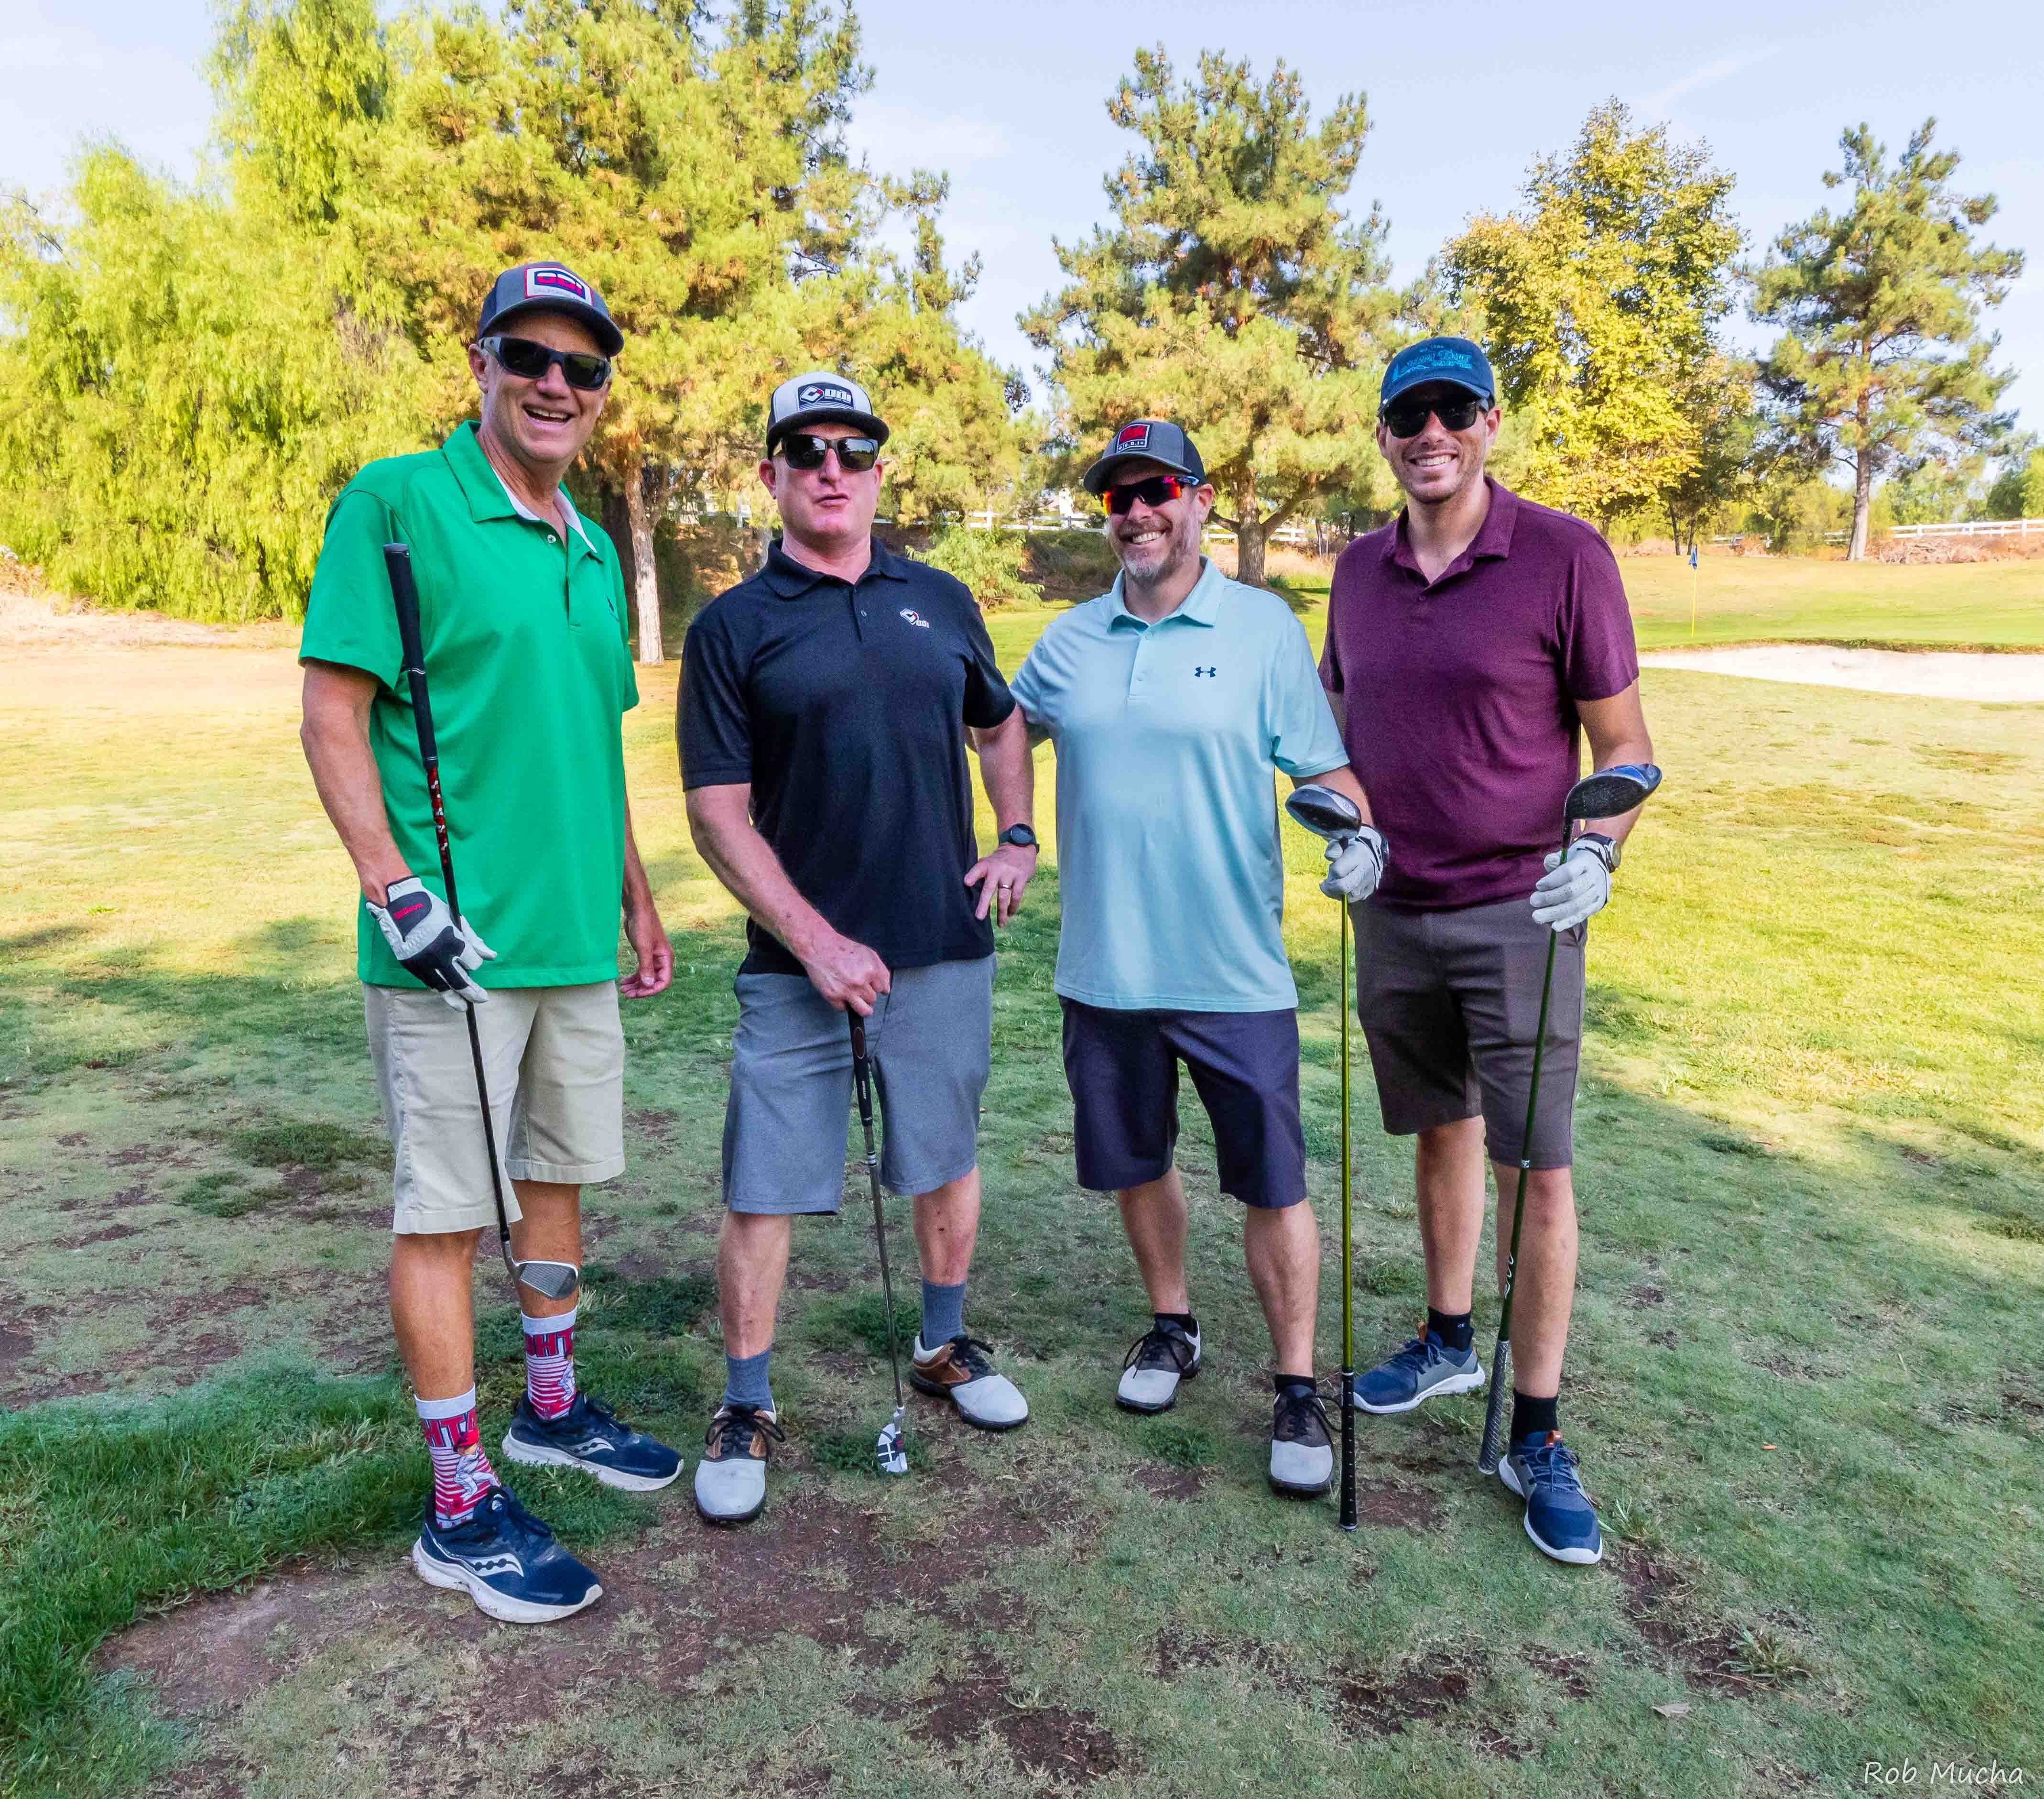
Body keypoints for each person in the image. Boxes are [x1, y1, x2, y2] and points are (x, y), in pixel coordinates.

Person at [299, 261, 680, 1625]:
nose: (557, 385)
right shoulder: (399, 503)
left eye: (584, 368)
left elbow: (592, 744)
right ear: (482, 363)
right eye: (531, 356)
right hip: (447, 948)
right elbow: (331, 714)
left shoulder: (590, 548)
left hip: (573, 935)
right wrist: (391, 886)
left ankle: (551, 1408)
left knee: (559, 1176)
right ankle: (460, 1502)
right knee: (448, 1212)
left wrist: (635, 892)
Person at [678, 371, 1039, 1526]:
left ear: (881, 471)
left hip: (941, 941)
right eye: (806, 450)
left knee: (942, 1154)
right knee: (764, 1183)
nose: (831, 468)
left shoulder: (940, 599)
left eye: (852, 449)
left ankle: (942, 1346)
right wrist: (816, 940)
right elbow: (716, 814)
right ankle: (745, 1403)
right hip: (796, 967)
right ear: (771, 474)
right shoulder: (732, 627)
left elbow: (1000, 723)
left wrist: (1017, 834)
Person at [1320, 335, 1656, 1566]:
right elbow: (1337, 735)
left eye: (1452, 411)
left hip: (1522, 914)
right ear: (1382, 434)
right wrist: (1349, 827)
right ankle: (1449, 1338)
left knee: (1536, 1167)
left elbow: (1622, 746)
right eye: (1407, 415)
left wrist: (1598, 851)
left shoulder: (1563, 555)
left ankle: (1536, 1431)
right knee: (1440, 1130)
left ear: (1488, 423)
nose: (1430, 434)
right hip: (1394, 910)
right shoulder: (1354, 572)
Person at [1009, 419, 1386, 1499]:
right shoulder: (1069, 639)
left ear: (1200, 501)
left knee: (1273, 1182)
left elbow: (1326, 772)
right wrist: (1013, 828)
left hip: (1233, 971)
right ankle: (1172, 1325)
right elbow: (1000, 728)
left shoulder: (1262, 629)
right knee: (1137, 1164)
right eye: (1117, 496)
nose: (1137, 512)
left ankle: (1296, 1385)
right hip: (1105, 969)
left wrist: (1360, 837)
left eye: (1157, 491)